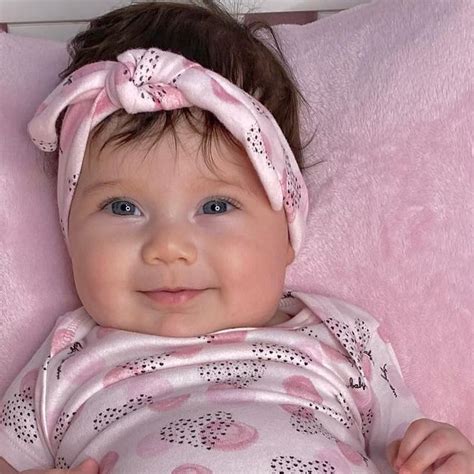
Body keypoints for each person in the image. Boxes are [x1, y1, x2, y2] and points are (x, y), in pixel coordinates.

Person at [0, 2, 472, 473]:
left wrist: (445, 458)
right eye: (123, 208)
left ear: (287, 230)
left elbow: (407, 450)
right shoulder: (64, 358)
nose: (169, 247)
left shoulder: (341, 336)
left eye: (215, 206)